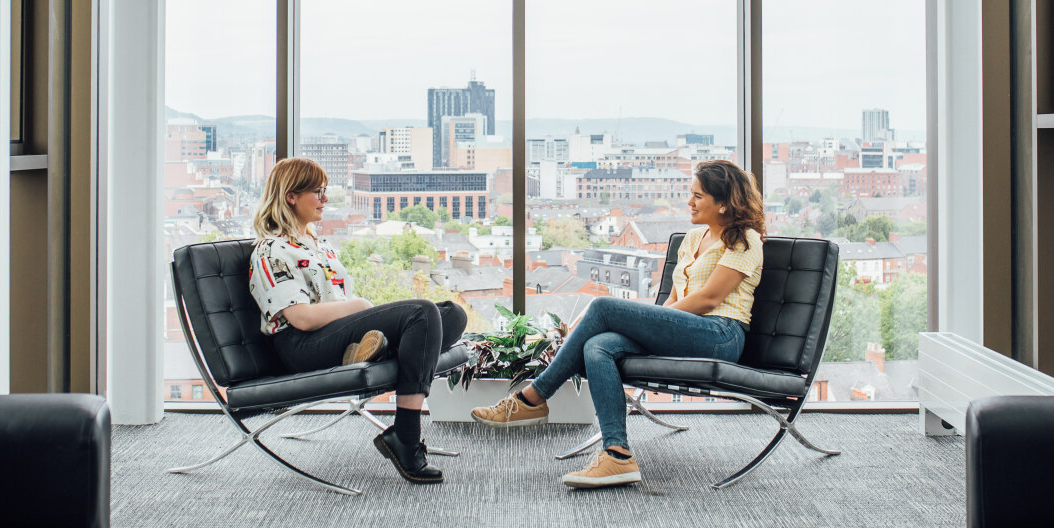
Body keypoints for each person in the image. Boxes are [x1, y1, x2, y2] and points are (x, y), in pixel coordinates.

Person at [471, 159, 766, 488]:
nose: (689, 202)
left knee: (602, 307)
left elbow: (709, 298)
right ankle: (617, 455)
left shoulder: (746, 240)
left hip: (720, 335)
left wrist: (657, 320)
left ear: (724, 203)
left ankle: (532, 398)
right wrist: (656, 321)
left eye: (698, 196)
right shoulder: (693, 239)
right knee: (598, 346)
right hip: (684, 329)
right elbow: (673, 299)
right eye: (691, 194)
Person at [248, 158, 467, 484]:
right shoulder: (272, 251)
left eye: (326, 191)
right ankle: (406, 438)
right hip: (302, 345)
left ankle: (372, 349)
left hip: (335, 334)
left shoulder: (318, 244)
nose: (325, 198)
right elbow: (302, 318)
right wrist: (361, 307)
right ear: (291, 196)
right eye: (318, 191)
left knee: (452, 314)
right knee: (421, 313)